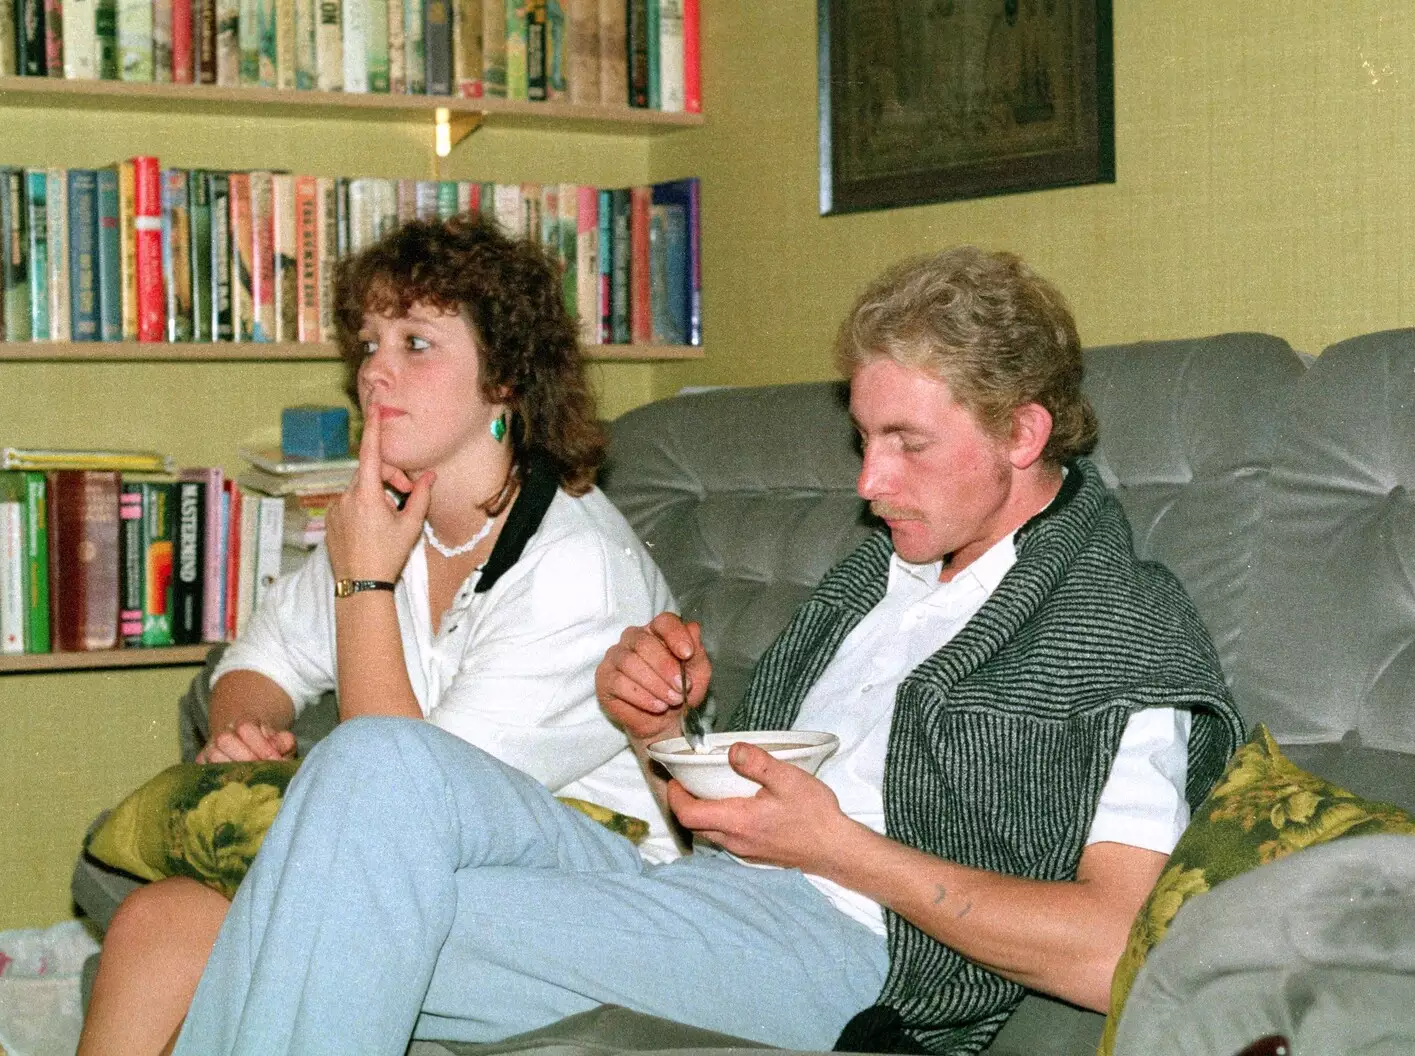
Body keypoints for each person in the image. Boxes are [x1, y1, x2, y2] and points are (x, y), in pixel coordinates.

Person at [167, 247, 1247, 1056]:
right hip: (705, 891)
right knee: (369, 770)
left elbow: (1112, 949)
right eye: (864, 438)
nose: (868, 483)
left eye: (907, 444)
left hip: (844, 956)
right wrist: (662, 732)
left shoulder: (1117, 627)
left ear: (1021, 434)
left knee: (317, 915)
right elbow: (739, 803)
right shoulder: (884, 572)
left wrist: (835, 848)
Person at [76, 215, 675, 1056]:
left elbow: (397, 802)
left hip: (588, 893)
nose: (374, 372)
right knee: (156, 920)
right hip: (425, 857)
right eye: (368, 342)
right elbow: (259, 659)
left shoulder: (578, 569)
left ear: (504, 376)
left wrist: (364, 580)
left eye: (416, 343)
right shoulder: (396, 512)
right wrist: (239, 731)